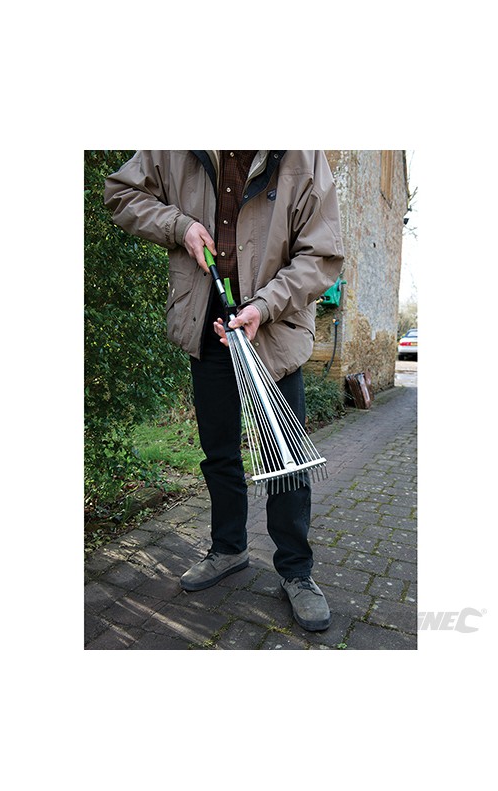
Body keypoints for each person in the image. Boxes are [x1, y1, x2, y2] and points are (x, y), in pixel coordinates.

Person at [104, 151, 344, 632]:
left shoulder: (301, 154)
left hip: (270, 328)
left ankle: (296, 571)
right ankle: (229, 549)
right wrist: (180, 227)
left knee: (286, 459)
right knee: (219, 452)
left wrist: (264, 305)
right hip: (205, 322)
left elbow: (321, 255)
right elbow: (121, 193)